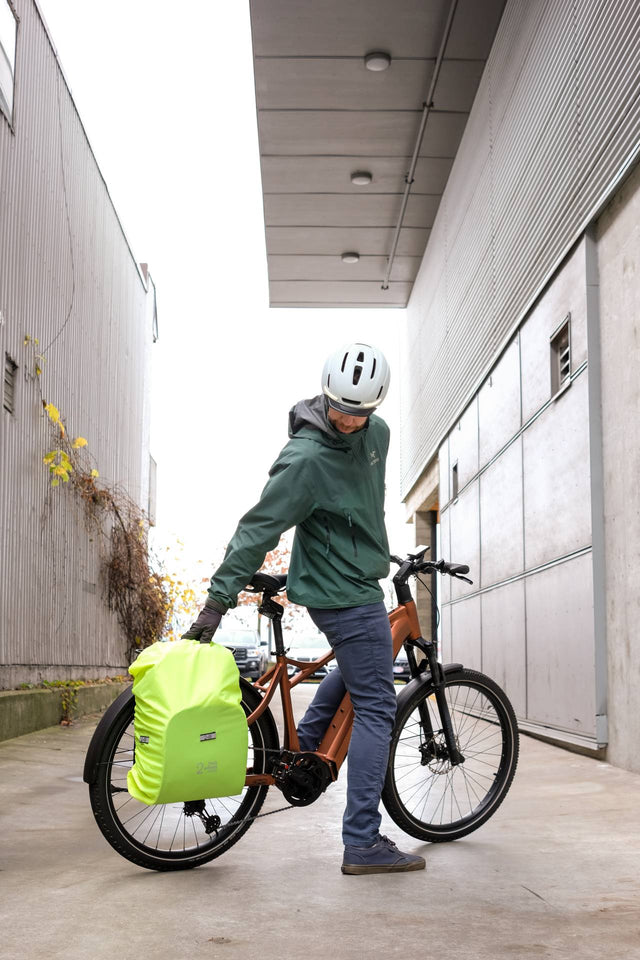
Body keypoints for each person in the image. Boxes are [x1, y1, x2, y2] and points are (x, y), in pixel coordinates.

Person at [183, 342, 425, 875]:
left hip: (360, 579)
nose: (346, 419)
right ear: (325, 393)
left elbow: (359, 507)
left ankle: (307, 751)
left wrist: (374, 549)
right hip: (339, 594)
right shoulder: (305, 459)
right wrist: (215, 604)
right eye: (339, 406)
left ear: (375, 409)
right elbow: (257, 529)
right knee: (379, 708)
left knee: (360, 667)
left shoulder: (376, 436)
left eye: (358, 413)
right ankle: (362, 841)